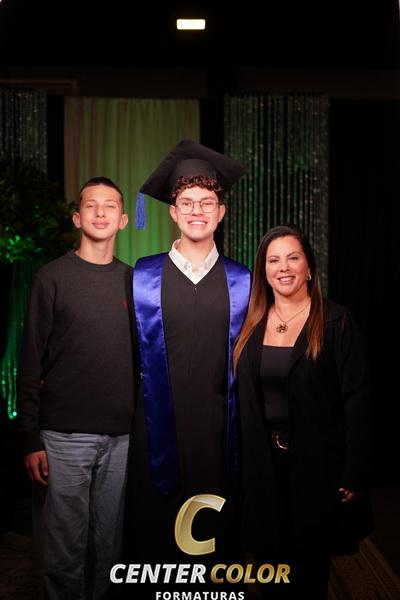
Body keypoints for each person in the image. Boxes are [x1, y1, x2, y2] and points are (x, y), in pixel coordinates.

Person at [124, 140, 251, 574]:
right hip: (156, 423)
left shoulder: (243, 281)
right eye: (187, 202)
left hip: (220, 427)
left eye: (207, 202)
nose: (197, 211)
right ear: (173, 213)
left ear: (221, 212)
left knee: (213, 537)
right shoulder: (142, 276)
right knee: (156, 539)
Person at [233, 224, 374, 598]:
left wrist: (356, 471)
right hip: (262, 470)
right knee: (269, 574)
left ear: (309, 267)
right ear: (263, 270)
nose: (283, 267)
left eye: (293, 258)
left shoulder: (336, 321)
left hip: (317, 471)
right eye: (273, 260)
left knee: (309, 578)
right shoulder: (250, 325)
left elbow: (358, 400)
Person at [17, 177, 135, 599]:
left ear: (123, 220)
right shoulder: (51, 278)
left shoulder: (135, 282)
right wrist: (30, 437)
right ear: (77, 218)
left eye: (110, 205)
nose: (100, 212)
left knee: (110, 551)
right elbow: (30, 361)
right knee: (63, 553)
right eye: (90, 205)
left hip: (122, 439)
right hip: (63, 438)